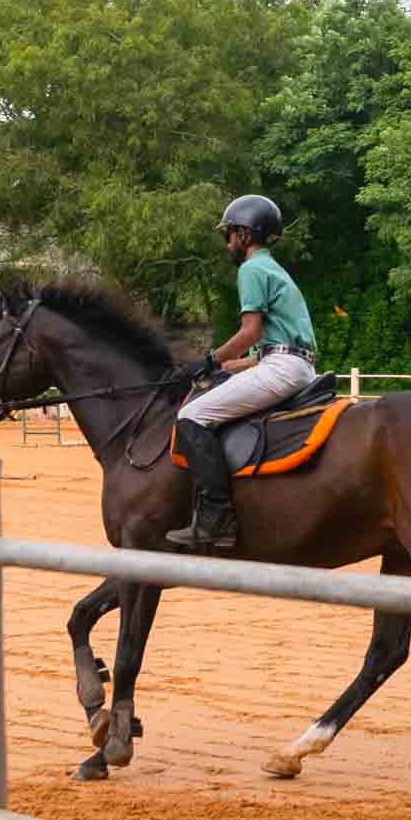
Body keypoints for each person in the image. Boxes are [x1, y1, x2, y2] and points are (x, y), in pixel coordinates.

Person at [167, 194, 318, 554]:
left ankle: (217, 517)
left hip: (282, 368)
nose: (228, 243)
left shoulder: (250, 270)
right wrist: (225, 365)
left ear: (246, 234)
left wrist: (209, 359)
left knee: (191, 416)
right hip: (293, 364)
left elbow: (250, 332)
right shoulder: (274, 269)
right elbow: (267, 346)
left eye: (230, 234)